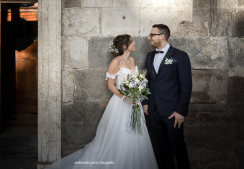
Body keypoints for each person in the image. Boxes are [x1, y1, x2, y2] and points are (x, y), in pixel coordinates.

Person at [45, 34, 158, 169]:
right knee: (120, 134)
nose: (134, 43)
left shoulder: (132, 60)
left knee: (136, 133)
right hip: (121, 103)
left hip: (135, 102)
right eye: (131, 41)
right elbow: (111, 85)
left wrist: (137, 93)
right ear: (124, 46)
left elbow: (136, 81)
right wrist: (126, 97)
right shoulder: (116, 62)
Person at [142, 24, 192, 169]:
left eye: (152, 35)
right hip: (153, 111)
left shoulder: (180, 56)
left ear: (161, 36)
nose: (149, 37)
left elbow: (186, 85)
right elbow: (148, 81)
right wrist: (145, 102)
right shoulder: (149, 56)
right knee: (162, 149)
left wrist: (181, 111)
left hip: (173, 112)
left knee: (178, 147)